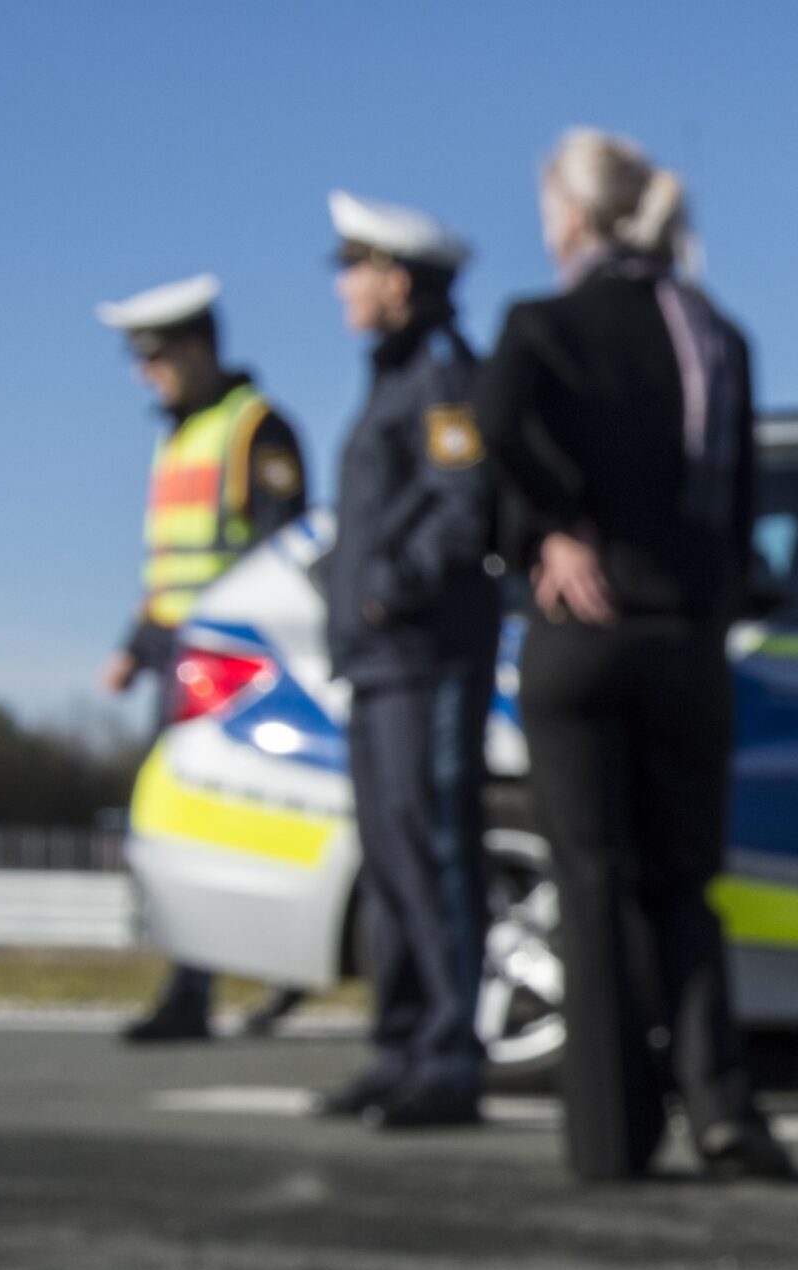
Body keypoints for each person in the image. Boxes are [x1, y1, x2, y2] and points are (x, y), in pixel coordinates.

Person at [478, 128, 790, 1182]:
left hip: (582, 637)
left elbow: (493, 424)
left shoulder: (544, 324)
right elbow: (739, 501)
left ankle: (610, 1137)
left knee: (594, 880)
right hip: (686, 640)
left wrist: (551, 526)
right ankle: (723, 1110)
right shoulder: (715, 337)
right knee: (684, 884)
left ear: (572, 213)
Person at [311, 192, 500, 1128]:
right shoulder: (391, 377)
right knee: (390, 861)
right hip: (378, 659)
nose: (343, 286)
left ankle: (452, 1057)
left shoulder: (441, 374)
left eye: (354, 267)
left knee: (434, 852)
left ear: (398, 277)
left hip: (424, 655)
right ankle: (401, 1044)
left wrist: (388, 587)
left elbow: (463, 508)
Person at [95, 276, 308, 1043]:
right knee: (179, 825)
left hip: (234, 666)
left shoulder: (257, 429)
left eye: (153, 356)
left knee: (229, 823)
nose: (143, 372)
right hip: (175, 660)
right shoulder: (178, 434)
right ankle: (201, 985)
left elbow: (281, 550)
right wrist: (131, 649)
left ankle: (242, 977)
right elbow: (169, 565)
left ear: (196, 348)